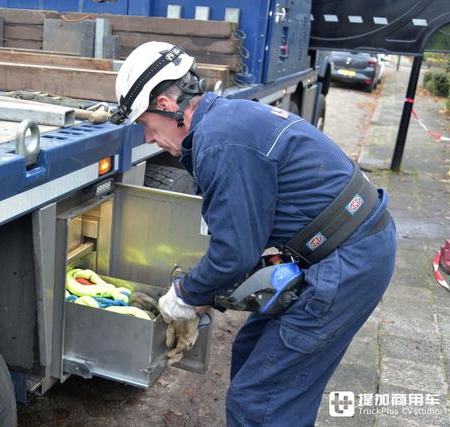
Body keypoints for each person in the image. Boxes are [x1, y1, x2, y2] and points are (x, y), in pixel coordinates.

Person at [109, 41, 397, 426]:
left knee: (261, 404)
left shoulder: (221, 143)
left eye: (145, 125)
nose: (147, 139)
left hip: (346, 262)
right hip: (348, 246)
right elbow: (248, 236)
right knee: (251, 352)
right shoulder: (226, 120)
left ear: (165, 105)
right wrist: (204, 294)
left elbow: (235, 253)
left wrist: (185, 295)